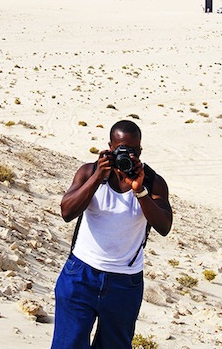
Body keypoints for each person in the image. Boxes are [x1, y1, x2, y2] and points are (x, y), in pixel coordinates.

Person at [51, 120, 173, 349]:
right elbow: (67, 211)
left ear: (140, 150)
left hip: (124, 283)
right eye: (121, 150)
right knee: (68, 345)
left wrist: (140, 191)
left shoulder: (153, 182)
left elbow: (164, 226)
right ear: (109, 147)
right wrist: (97, 177)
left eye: (133, 151)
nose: (128, 156)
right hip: (80, 275)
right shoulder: (89, 172)